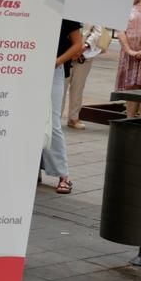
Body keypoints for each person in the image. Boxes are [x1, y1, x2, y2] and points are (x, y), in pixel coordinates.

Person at [42, 21, 85, 194]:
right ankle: (33, 169)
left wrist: (56, 61)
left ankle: (63, 175)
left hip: (54, 69)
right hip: (27, 65)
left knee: (52, 122)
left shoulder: (65, 11)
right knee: (28, 119)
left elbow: (78, 45)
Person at [64, 24, 109, 129]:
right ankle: (55, 117)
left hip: (85, 54)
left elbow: (98, 31)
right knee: (61, 86)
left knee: (78, 87)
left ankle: (73, 118)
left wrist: (84, 46)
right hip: (65, 50)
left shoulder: (93, 10)